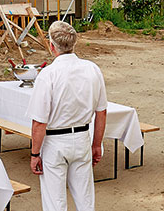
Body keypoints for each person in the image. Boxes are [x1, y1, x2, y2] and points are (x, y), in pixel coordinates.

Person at [27, 21, 107, 211]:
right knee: (85, 199)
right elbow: (101, 112)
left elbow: (39, 122)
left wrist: (34, 153)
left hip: (55, 142)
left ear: (51, 45)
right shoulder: (92, 69)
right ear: (74, 43)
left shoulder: (48, 74)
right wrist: (97, 144)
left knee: (55, 202)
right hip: (81, 137)